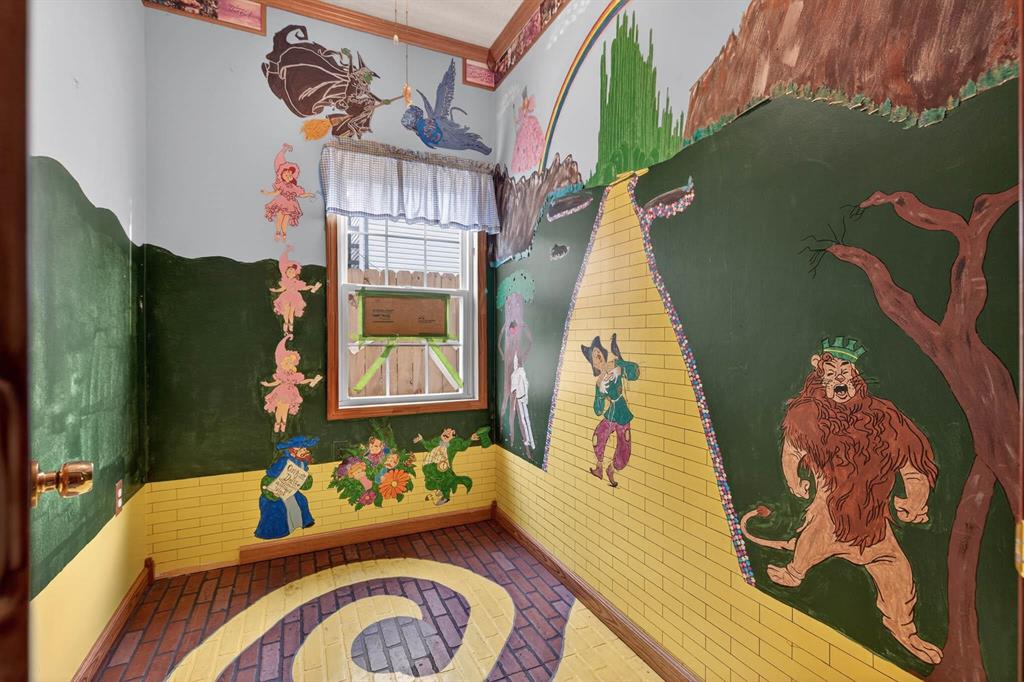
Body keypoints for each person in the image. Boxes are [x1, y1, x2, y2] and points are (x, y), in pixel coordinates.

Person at [581, 334, 639, 487]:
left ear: (603, 352)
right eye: (594, 356)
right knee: (598, 436)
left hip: (622, 412)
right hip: (611, 413)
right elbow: (598, 410)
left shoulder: (615, 364)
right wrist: (600, 393)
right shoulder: (599, 382)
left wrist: (621, 369)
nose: (597, 356)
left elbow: (635, 372)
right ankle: (599, 467)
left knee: (624, 445)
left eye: (598, 352)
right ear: (593, 364)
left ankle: (611, 469)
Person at [254, 436, 317, 540]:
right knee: (276, 510)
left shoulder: (302, 463)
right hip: (275, 492)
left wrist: (307, 478)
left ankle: (304, 521)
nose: (305, 451)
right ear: (293, 450)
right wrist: (271, 492)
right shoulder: (283, 462)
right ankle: (274, 532)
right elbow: (269, 477)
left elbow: (302, 483)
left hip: (290, 491)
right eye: (302, 448)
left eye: (306, 449)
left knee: (301, 501)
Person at [261, 334, 322, 433]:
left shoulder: (295, 375)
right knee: (279, 409)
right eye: (288, 362)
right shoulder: (282, 374)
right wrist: (267, 384)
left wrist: (311, 380)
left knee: (285, 409)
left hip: (290, 394)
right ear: (284, 363)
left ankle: (283, 424)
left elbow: (301, 381)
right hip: (281, 392)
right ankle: (277, 423)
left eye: (292, 363)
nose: (291, 365)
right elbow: (277, 382)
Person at [413, 427, 482, 506]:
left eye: (449, 433)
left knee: (445, 480)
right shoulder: (437, 442)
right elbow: (428, 445)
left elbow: (462, 446)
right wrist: (421, 440)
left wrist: (470, 439)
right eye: (446, 432)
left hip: (444, 468)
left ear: (453, 436)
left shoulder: (453, 445)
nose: (446, 434)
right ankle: (440, 489)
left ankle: (445, 496)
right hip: (430, 464)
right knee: (429, 485)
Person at [262, 143, 314, 241]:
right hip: (281, 202)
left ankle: (284, 233)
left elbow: (301, 194)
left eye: (290, 175)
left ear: (292, 177)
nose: (288, 176)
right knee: (280, 218)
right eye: (286, 174)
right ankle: (278, 232)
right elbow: (276, 193)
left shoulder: (294, 187)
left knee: (286, 220)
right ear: (281, 176)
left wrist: (309, 194)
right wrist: (267, 193)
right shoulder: (281, 184)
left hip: (291, 204)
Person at [270, 245, 321, 333]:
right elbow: (282, 288)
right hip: (286, 296)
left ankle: (291, 324)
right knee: (286, 309)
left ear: (295, 274)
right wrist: (275, 290)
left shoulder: (297, 282)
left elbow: (304, 288)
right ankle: (286, 323)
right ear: (286, 273)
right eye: (289, 271)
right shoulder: (285, 281)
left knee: (291, 311)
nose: (291, 272)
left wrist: (311, 286)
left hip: (295, 297)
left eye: (293, 271)